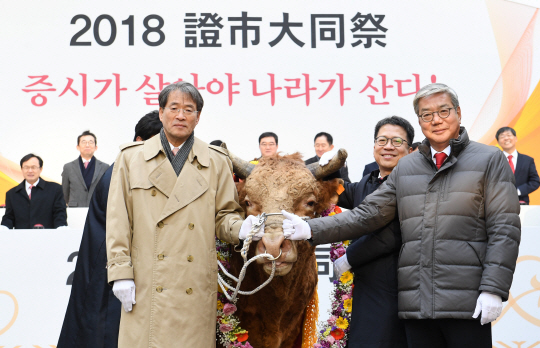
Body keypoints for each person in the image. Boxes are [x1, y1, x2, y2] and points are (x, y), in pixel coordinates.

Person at [283, 83, 521, 348]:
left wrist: (493, 289)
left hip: (466, 301)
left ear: (459, 113)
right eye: (426, 114)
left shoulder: (489, 159)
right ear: (420, 121)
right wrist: (309, 229)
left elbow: (505, 229)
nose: (436, 120)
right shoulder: (408, 166)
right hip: (416, 306)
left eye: (444, 111)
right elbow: (368, 213)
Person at [106, 82, 259, 348]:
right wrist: (121, 272)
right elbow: (119, 221)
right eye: (174, 108)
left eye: (189, 110)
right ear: (161, 112)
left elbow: (225, 216)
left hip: (195, 280)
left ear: (198, 117)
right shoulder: (131, 159)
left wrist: (242, 229)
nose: (181, 115)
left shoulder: (216, 161)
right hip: (147, 279)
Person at [57, 110, 162, 348]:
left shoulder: (138, 170)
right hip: (111, 268)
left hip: (119, 267)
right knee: (105, 330)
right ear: (139, 142)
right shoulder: (120, 173)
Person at [333, 116, 413, 348]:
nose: (388, 146)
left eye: (397, 141)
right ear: (374, 145)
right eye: (382, 140)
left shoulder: (413, 184)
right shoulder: (368, 181)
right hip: (362, 289)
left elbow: (392, 234)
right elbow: (339, 191)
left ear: (409, 150)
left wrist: (349, 257)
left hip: (393, 290)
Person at [1, 154, 67, 229]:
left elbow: (59, 213)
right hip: (21, 238)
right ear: (21, 169)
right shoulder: (12, 193)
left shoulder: (55, 189)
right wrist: (4, 227)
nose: (30, 171)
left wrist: (61, 227)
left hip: (48, 237)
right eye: (26, 167)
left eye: (33, 167)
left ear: (41, 169)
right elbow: (9, 217)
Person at [61, 130, 109, 207]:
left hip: (97, 209)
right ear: (78, 147)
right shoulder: (68, 167)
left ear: (96, 147)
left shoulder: (104, 167)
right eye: (83, 142)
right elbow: (65, 193)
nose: (87, 145)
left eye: (91, 142)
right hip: (75, 210)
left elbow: (106, 191)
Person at [495, 126, 539, 204]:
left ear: (515, 138)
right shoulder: (494, 160)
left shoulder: (528, 160)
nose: (506, 138)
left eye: (509, 135)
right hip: (498, 203)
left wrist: (517, 191)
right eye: (502, 136)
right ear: (498, 142)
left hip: (521, 202)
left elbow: (535, 181)